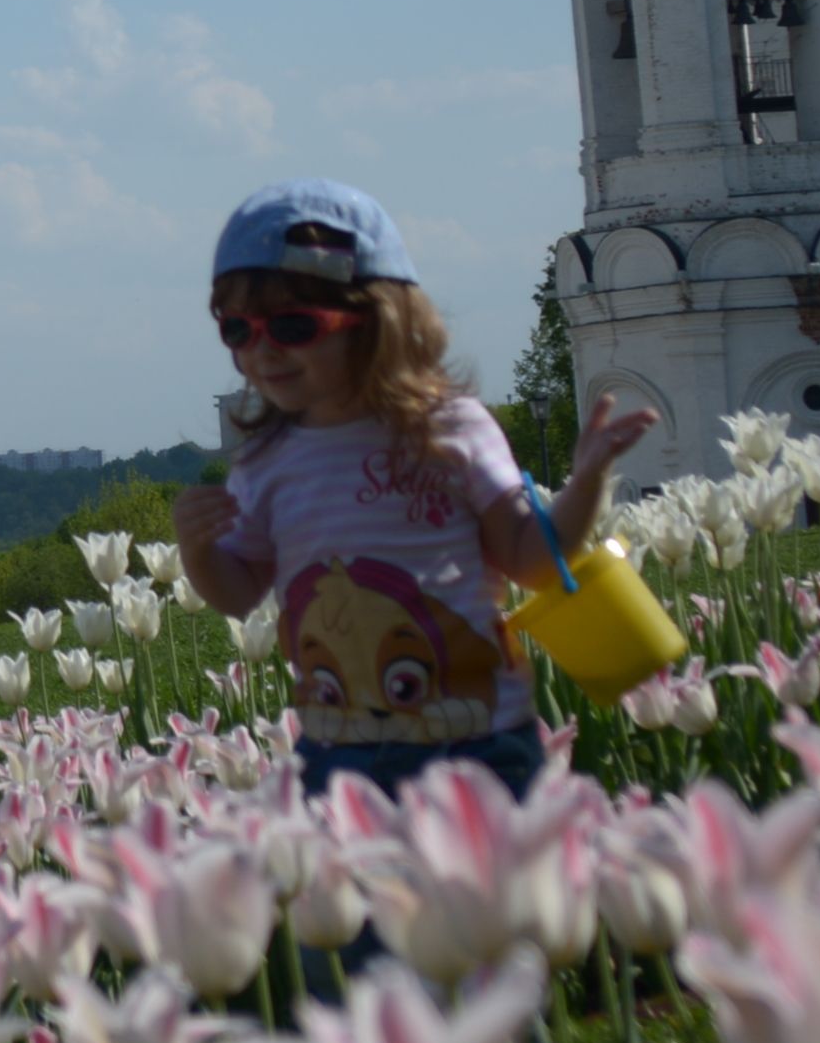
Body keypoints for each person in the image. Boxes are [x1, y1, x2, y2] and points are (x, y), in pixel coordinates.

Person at [167, 178, 660, 805]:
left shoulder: (449, 429)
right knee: (362, 906)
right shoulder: (267, 460)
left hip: (478, 738)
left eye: (292, 325)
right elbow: (240, 594)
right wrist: (200, 552)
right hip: (336, 743)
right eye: (237, 329)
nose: (261, 351)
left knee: (488, 901)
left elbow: (533, 560)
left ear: (379, 321)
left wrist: (587, 480)